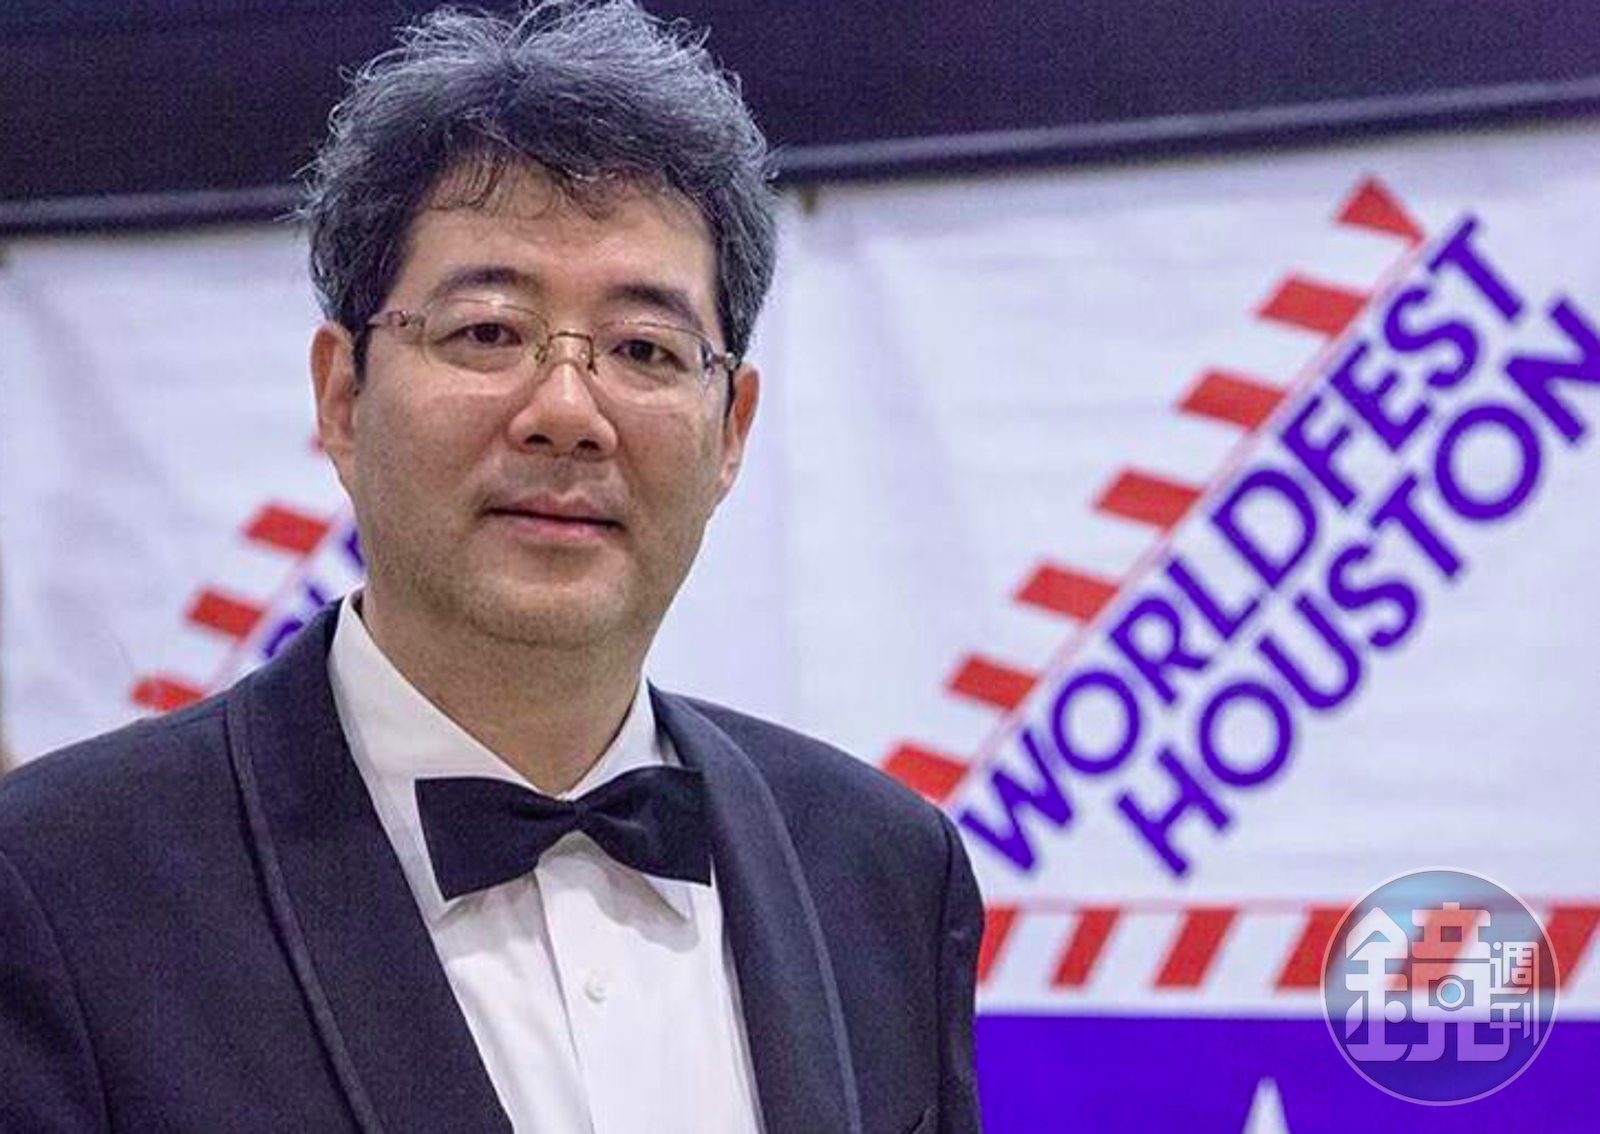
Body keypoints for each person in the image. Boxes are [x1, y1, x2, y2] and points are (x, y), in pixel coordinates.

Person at [0, 3, 984, 1132]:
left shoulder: (883, 870)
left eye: (645, 349)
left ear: (732, 430)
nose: (567, 411)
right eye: (487, 332)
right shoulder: (61, 888)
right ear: (343, 396)